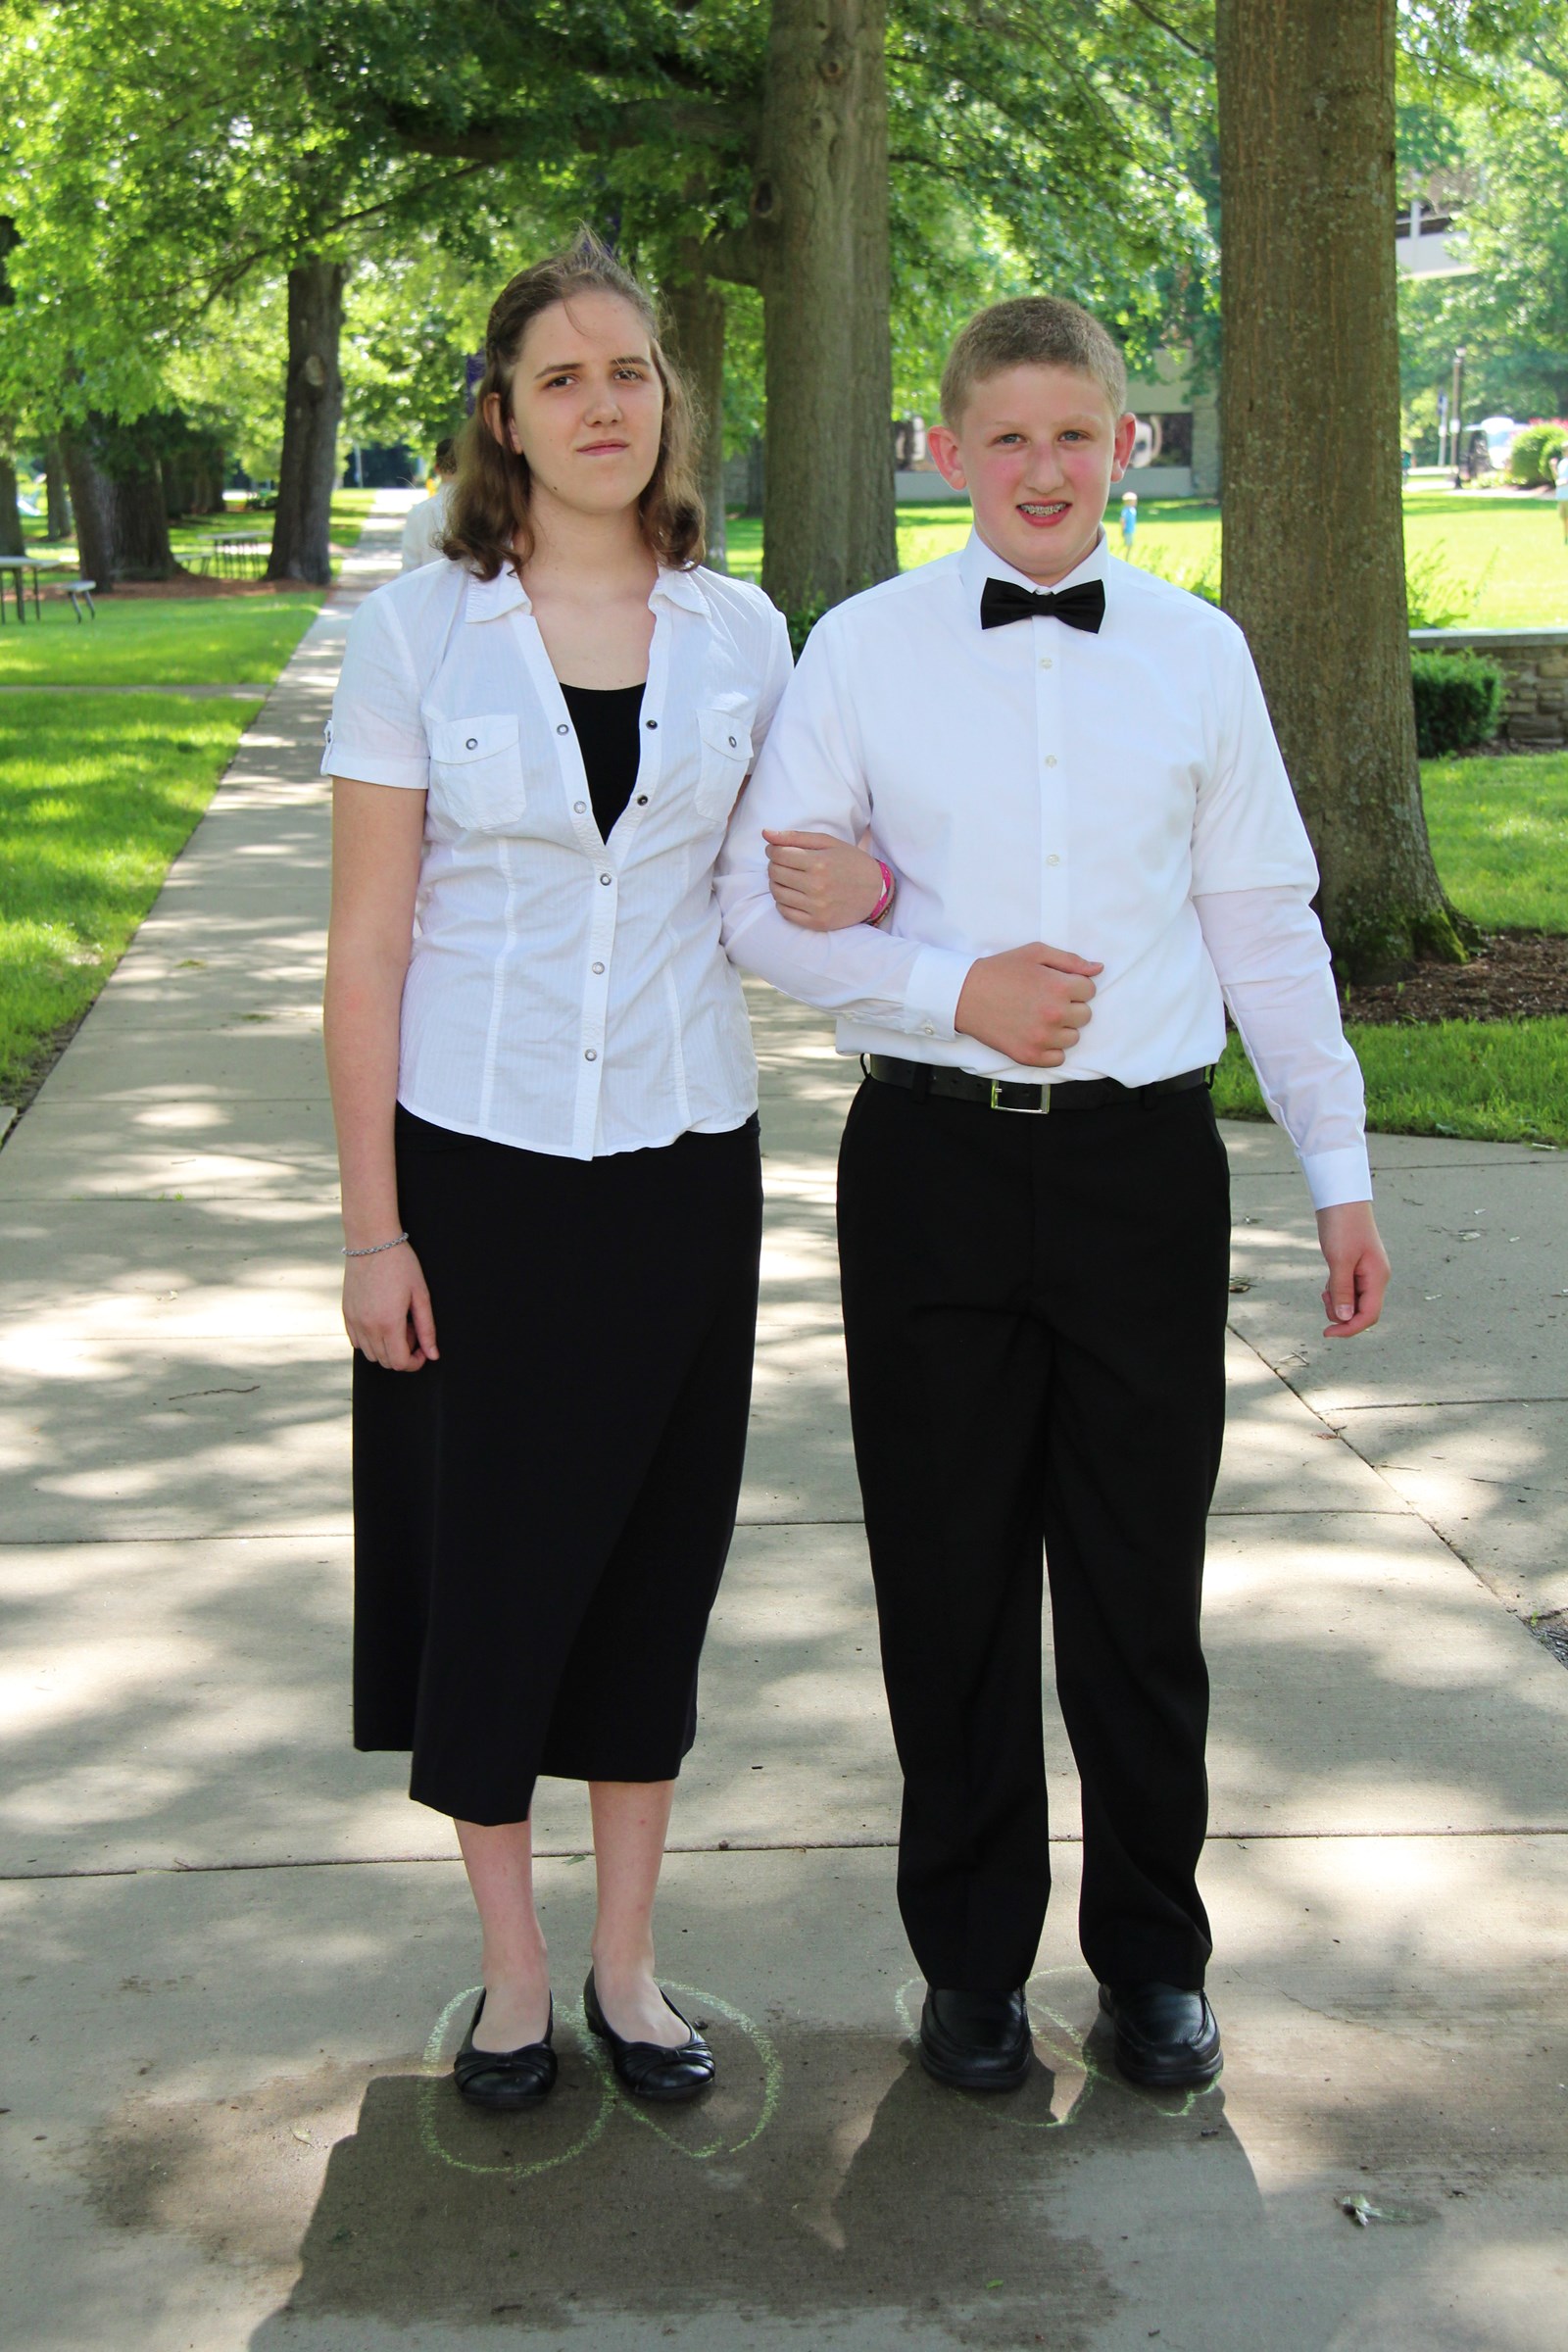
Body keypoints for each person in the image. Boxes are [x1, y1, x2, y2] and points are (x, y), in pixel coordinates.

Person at [718, 295, 1391, 2096]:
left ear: (1126, 445)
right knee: (945, 1587)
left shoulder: (1199, 655)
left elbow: (1263, 924)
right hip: (927, 1165)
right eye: (1004, 437)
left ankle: (1155, 1961)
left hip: (1140, 1174)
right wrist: (952, 983)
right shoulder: (859, 651)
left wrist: (1337, 1171)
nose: (1041, 469)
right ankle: (969, 1966)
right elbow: (760, 905)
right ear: (945, 451)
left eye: (1072, 434)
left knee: (1136, 1590)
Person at [322, 233, 881, 2114]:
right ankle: (510, 1978)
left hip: (679, 1165)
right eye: (561, 377)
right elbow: (367, 950)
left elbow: (773, 897)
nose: (602, 404)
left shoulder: (744, 633)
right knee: (483, 1574)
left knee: (654, 1568)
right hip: (472, 1173)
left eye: (629, 371)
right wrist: (374, 1231)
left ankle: (627, 1970)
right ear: (503, 414)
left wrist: (868, 892)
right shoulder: (418, 634)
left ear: (668, 398)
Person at [399, 438, 458, 571]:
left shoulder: (419, 512)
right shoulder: (487, 511)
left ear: (437, 468)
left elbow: (410, 567)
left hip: (430, 583)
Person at [1118, 487, 1137, 552]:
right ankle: (1126, 556)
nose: (1135, 503)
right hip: (1127, 530)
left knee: (1129, 544)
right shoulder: (1126, 511)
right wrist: (1122, 529)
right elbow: (1122, 520)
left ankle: (1126, 555)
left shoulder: (1133, 510)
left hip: (1131, 529)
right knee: (1129, 544)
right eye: (1134, 501)